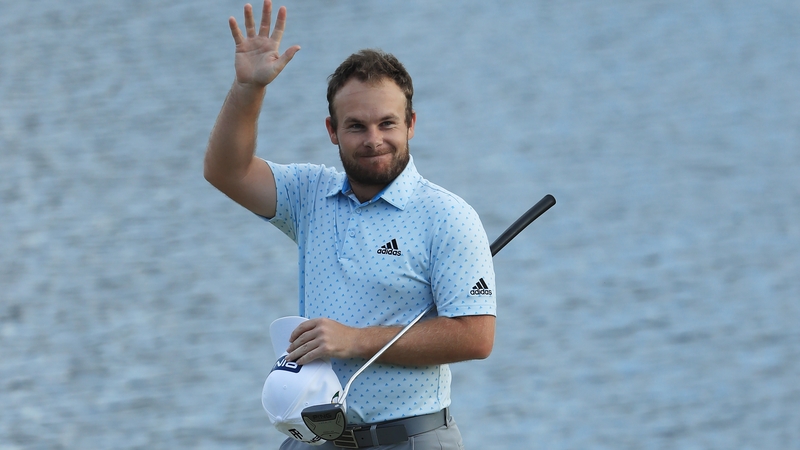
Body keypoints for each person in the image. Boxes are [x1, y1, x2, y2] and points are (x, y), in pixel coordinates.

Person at [204, 2, 497, 448]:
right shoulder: (308, 195)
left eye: (387, 123)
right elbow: (226, 171)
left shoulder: (447, 216)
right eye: (356, 126)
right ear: (332, 130)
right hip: (316, 437)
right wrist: (248, 88)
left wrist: (353, 341)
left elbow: (475, 336)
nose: (374, 139)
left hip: (410, 438)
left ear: (411, 124)